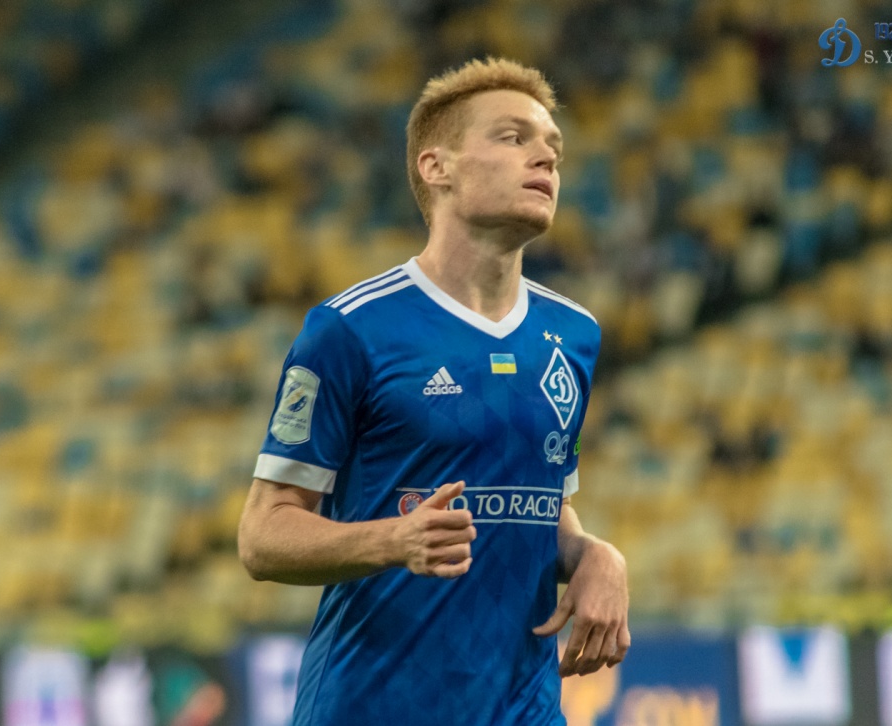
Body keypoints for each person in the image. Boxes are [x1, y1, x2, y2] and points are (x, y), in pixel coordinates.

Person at [237, 56, 630, 725]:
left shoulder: (574, 335)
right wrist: (394, 540)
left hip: (525, 709)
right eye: (513, 137)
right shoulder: (351, 329)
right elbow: (261, 535)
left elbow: (540, 507)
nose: (545, 156)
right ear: (436, 166)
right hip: (373, 707)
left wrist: (595, 555)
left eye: (553, 147)